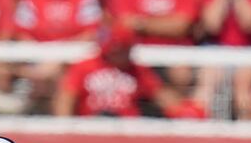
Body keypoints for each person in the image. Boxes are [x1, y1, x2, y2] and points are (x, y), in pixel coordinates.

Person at [53, 25, 205, 118]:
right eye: (120, 50)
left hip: (126, 128)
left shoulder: (136, 69)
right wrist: (66, 128)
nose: (124, 54)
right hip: (92, 126)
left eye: (126, 49)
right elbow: (66, 97)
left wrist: (187, 112)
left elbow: (162, 95)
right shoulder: (85, 66)